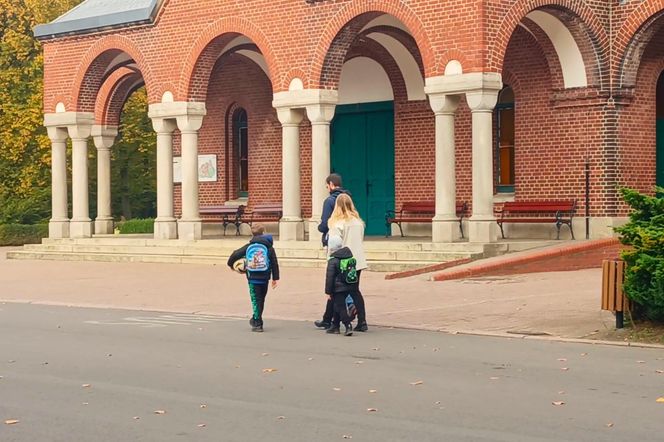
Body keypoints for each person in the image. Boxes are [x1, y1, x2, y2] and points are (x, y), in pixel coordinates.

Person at [327, 193, 368, 332]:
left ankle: (336, 323)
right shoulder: (359, 222)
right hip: (357, 260)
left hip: (342, 262)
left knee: (338, 293)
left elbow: (334, 245)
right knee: (355, 291)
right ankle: (362, 321)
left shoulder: (337, 224)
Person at [313, 173, 350, 330]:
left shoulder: (329, 201)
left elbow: (325, 224)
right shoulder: (348, 198)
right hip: (348, 246)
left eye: (327, 185)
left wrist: (320, 227)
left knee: (333, 282)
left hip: (334, 244)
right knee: (342, 282)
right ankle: (327, 318)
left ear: (331, 184)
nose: (327, 188)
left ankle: (333, 319)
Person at [227, 224, 279, 332]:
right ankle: (257, 318)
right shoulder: (269, 247)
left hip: (252, 277)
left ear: (252, 234)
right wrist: (275, 278)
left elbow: (235, 254)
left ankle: (257, 322)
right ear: (264, 232)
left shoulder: (248, 246)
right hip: (265, 277)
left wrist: (231, 265)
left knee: (255, 299)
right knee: (261, 299)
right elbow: (274, 262)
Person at [324, 235, 358, 337]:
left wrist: (328, 291)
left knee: (341, 307)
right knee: (336, 306)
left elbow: (329, 277)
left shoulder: (333, 260)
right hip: (348, 285)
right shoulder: (348, 257)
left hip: (337, 288)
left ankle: (347, 325)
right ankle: (335, 326)